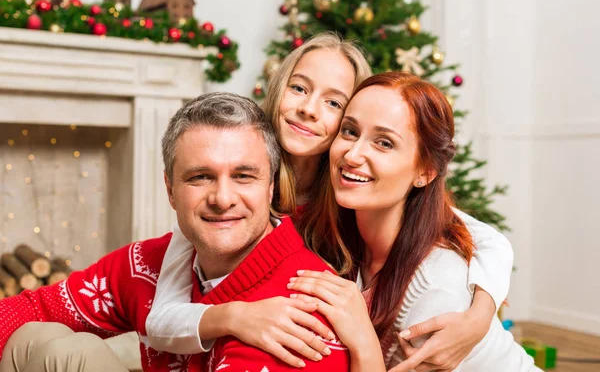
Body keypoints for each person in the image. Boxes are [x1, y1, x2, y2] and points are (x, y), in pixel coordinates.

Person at [146, 34, 514, 371]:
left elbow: (486, 240)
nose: (309, 109)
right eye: (299, 88)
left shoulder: (351, 193)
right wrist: (236, 317)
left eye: (333, 101)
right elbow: (162, 315)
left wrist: (479, 316)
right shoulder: (238, 192)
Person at [0, 93, 350, 372]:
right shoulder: (150, 264)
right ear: (170, 190)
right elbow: (24, 312)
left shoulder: (300, 308)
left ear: (271, 187)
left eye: (243, 176)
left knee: (72, 357)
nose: (223, 199)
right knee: (34, 338)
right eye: (200, 177)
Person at [287, 72, 540, 371]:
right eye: (350, 131)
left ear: (425, 171)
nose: (353, 155)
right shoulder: (339, 233)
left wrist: (362, 337)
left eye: (384, 143)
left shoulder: (435, 292)